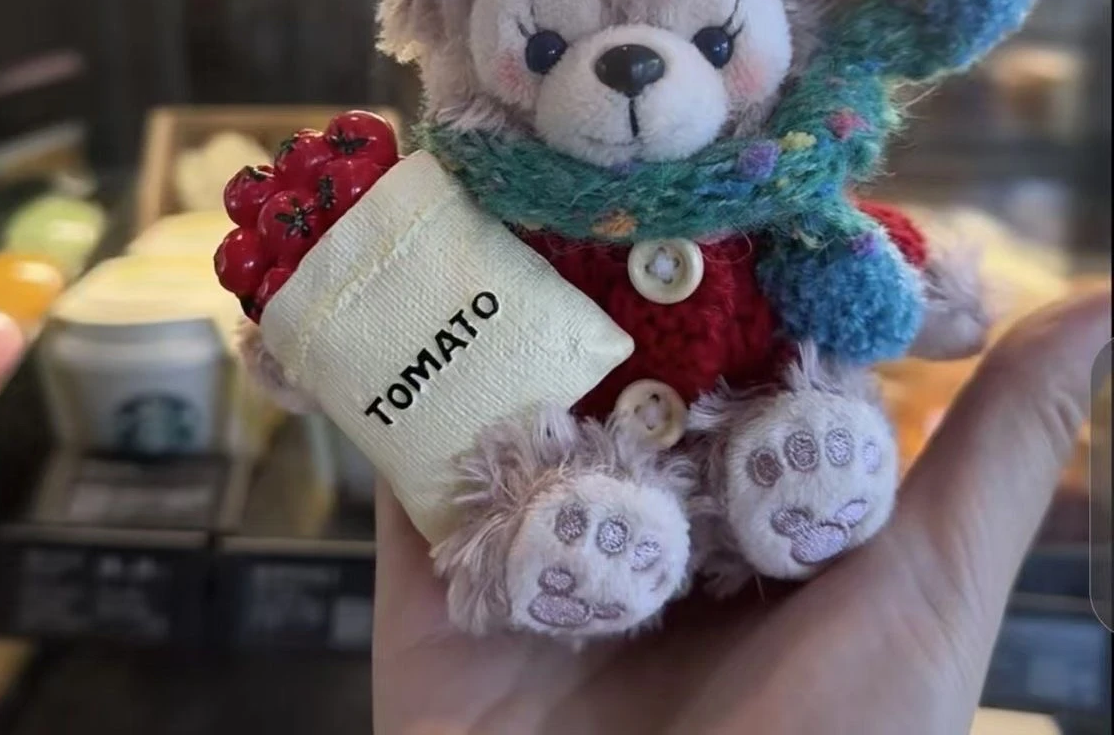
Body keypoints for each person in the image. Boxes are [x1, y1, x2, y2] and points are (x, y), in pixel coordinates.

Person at [372, 289, 1110, 735]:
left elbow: (858, 265)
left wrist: (923, 288)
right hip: (591, 432)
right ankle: (597, 524)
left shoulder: (787, 179)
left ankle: (781, 466)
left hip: (741, 398)